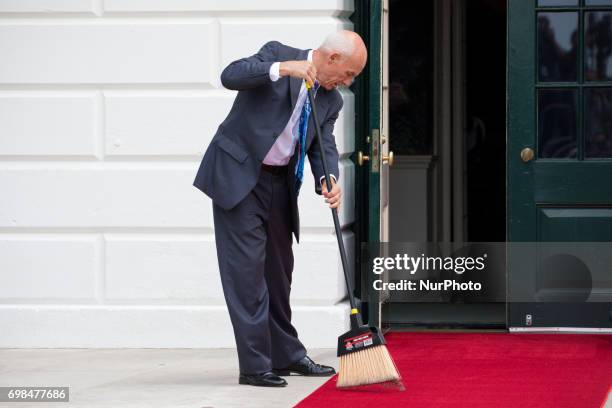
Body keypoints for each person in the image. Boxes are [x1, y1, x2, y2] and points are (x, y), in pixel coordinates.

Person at [192, 30, 368, 387]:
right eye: (349, 73)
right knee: (247, 275)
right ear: (332, 59)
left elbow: (323, 145)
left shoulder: (332, 101)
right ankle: (255, 366)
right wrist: (282, 69)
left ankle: (285, 354)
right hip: (240, 176)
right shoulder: (277, 54)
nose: (348, 82)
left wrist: (328, 178)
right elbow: (231, 76)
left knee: (278, 272)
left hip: (280, 184)